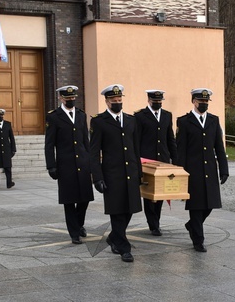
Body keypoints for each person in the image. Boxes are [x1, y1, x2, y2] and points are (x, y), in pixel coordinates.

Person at [90, 84, 142, 262]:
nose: (117, 103)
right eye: (114, 101)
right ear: (107, 101)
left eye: (120, 100)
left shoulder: (131, 120)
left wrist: (139, 173)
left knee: (129, 210)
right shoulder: (99, 121)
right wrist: (97, 177)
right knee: (117, 211)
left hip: (131, 172)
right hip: (112, 174)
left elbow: (136, 148)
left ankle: (113, 237)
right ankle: (124, 248)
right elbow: (94, 152)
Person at [175, 88, 229, 252]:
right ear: (194, 101)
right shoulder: (184, 121)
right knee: (196, 206)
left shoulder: (213, 120)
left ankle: (192, 226)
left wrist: (224, 169)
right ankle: (198, 240)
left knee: (210, 204)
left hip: (210, 169)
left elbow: (219, 147)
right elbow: (181, 149)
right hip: (193, 169)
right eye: (201, 102)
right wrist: (180, 172)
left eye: (206, 102)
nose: (204, 104)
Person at [44, 86, 94, 244]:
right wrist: (51, 165)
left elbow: (86, 141)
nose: (71, 101)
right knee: (69, 200)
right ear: (60, 98)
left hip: (83, 163)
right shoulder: (54, 117)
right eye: (68, 99)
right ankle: (74, 232)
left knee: (84, 198)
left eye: (73, 98)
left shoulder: (81, 115)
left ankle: (79, 224)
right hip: (65, 165)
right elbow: (49, 144)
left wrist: (91, 162)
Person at [134, 89, 178, 236]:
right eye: (155, 101)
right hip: (147, 160)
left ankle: (156, 221)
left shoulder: (167, 115)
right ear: (149, 100)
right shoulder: (140, 116)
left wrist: (175, 159)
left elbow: (170, 139)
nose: (157, 103)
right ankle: (152, 224)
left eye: (160, 101)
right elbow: (137, 140)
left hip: (163, 160)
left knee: (160, 192)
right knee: (149, 193)